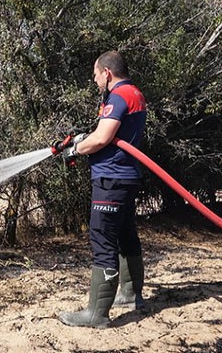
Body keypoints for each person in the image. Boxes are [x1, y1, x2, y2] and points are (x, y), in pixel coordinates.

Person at [58, 50, 147, 328]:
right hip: (126, 177)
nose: (94, 80)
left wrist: (77, 148)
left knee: (103, 239)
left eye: (95, 75)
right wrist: (87, 139)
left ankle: (96, 313)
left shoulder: (119, 95)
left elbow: (103, 137)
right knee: (125, 234)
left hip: (111, 179)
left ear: (106, 73)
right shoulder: (135, 93)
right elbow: (110, 133)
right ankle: (131, 295)